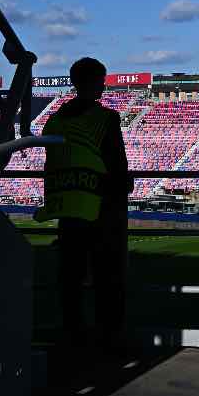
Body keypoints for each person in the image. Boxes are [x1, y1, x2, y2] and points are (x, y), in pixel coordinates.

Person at [35, 57, 132, 356]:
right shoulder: (105, 119)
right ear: (94, 82)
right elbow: (117, 168)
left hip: (67, 209)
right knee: (108, 281)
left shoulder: (55, 119)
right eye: (101, 80)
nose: (103, 86)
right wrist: (123, 186)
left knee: (71, 283)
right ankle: (108, 343)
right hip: (101, 210)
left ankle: (73, 340)